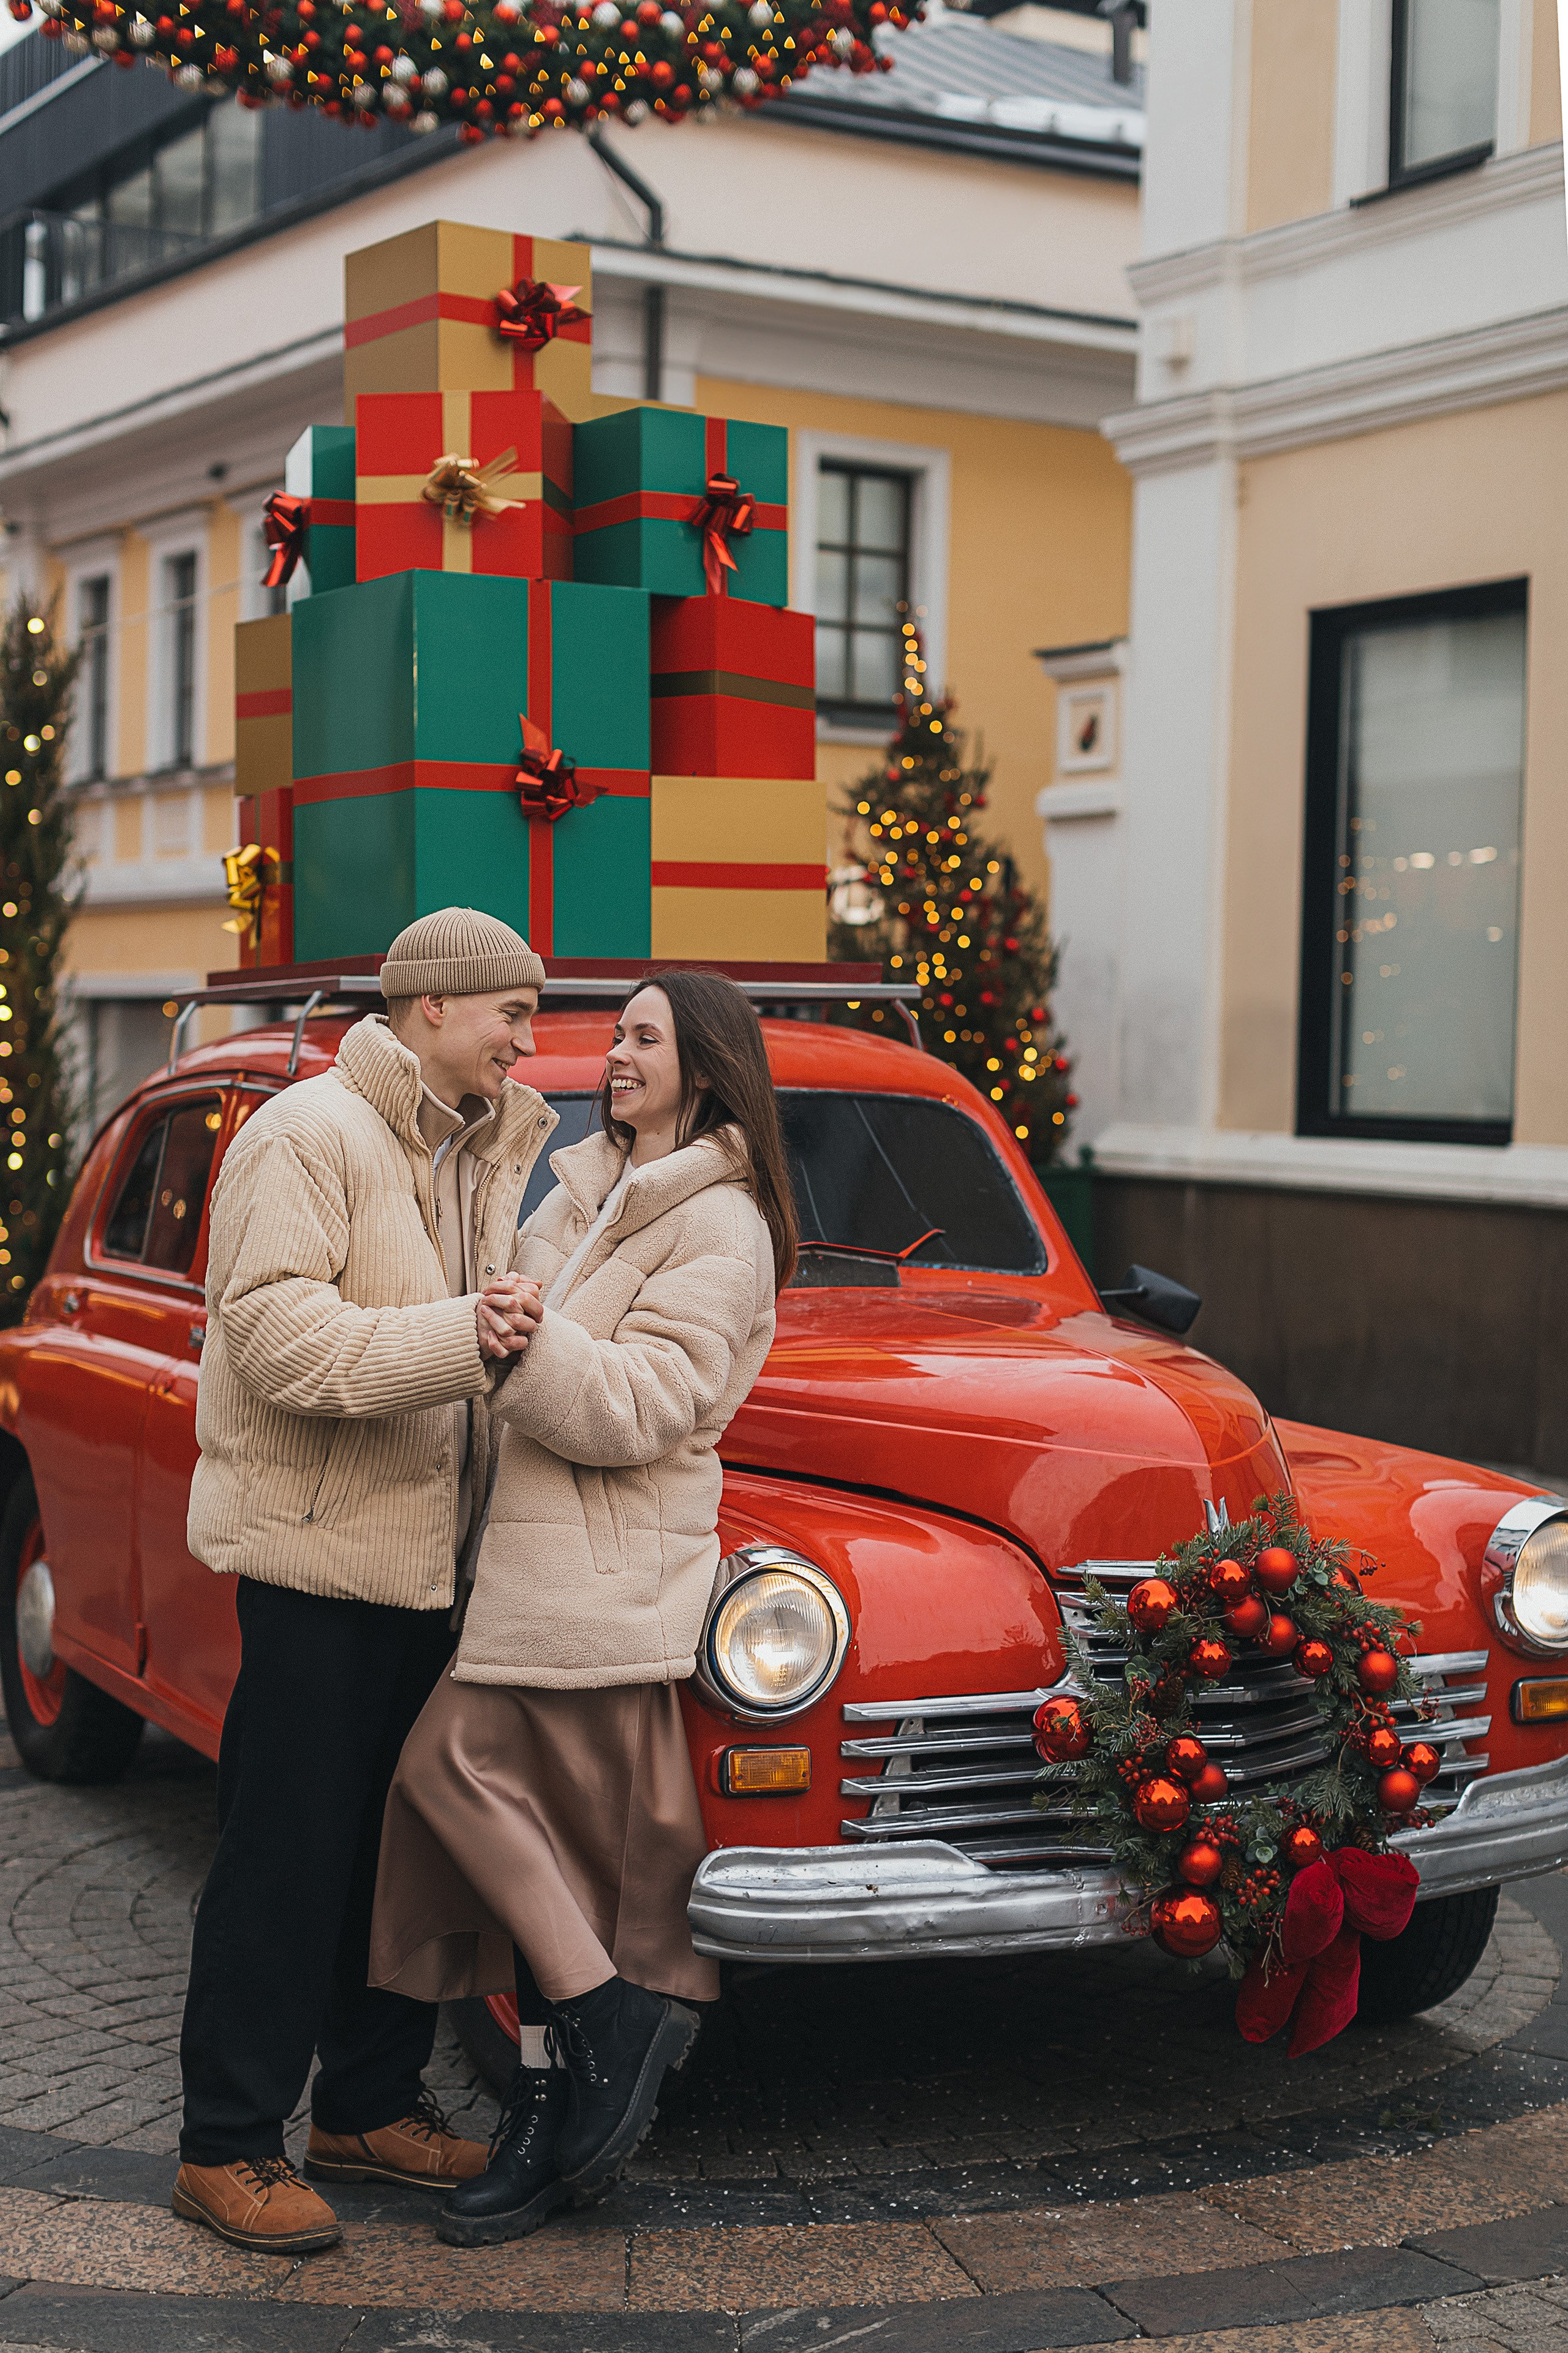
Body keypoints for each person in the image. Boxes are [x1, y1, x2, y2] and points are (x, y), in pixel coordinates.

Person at [368, 968, 797, 2246]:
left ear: (706, 1068)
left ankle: (608, 2012)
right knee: (542, 1854)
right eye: (614, 1034)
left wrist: (518, 1341)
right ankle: (546, 2120)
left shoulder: (723, 1227)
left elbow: (642, 1404)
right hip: (522, 1564)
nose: (614, 1054)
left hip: (603, 1572)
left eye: (643, 1038)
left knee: (443, 1769)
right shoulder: (580, 1188)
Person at [172, 908, 556, 2256]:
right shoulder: (305, 1134)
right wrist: (465, 1336)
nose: (527, 1034)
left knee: (397, 1861)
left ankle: (368, 2109)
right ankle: (225, 2143)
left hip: (435, 1567)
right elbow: (275, 1338)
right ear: (432, 1008)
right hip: (320, 1565)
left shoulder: (495, 1140)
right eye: (509, 1009)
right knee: (286, 1857)